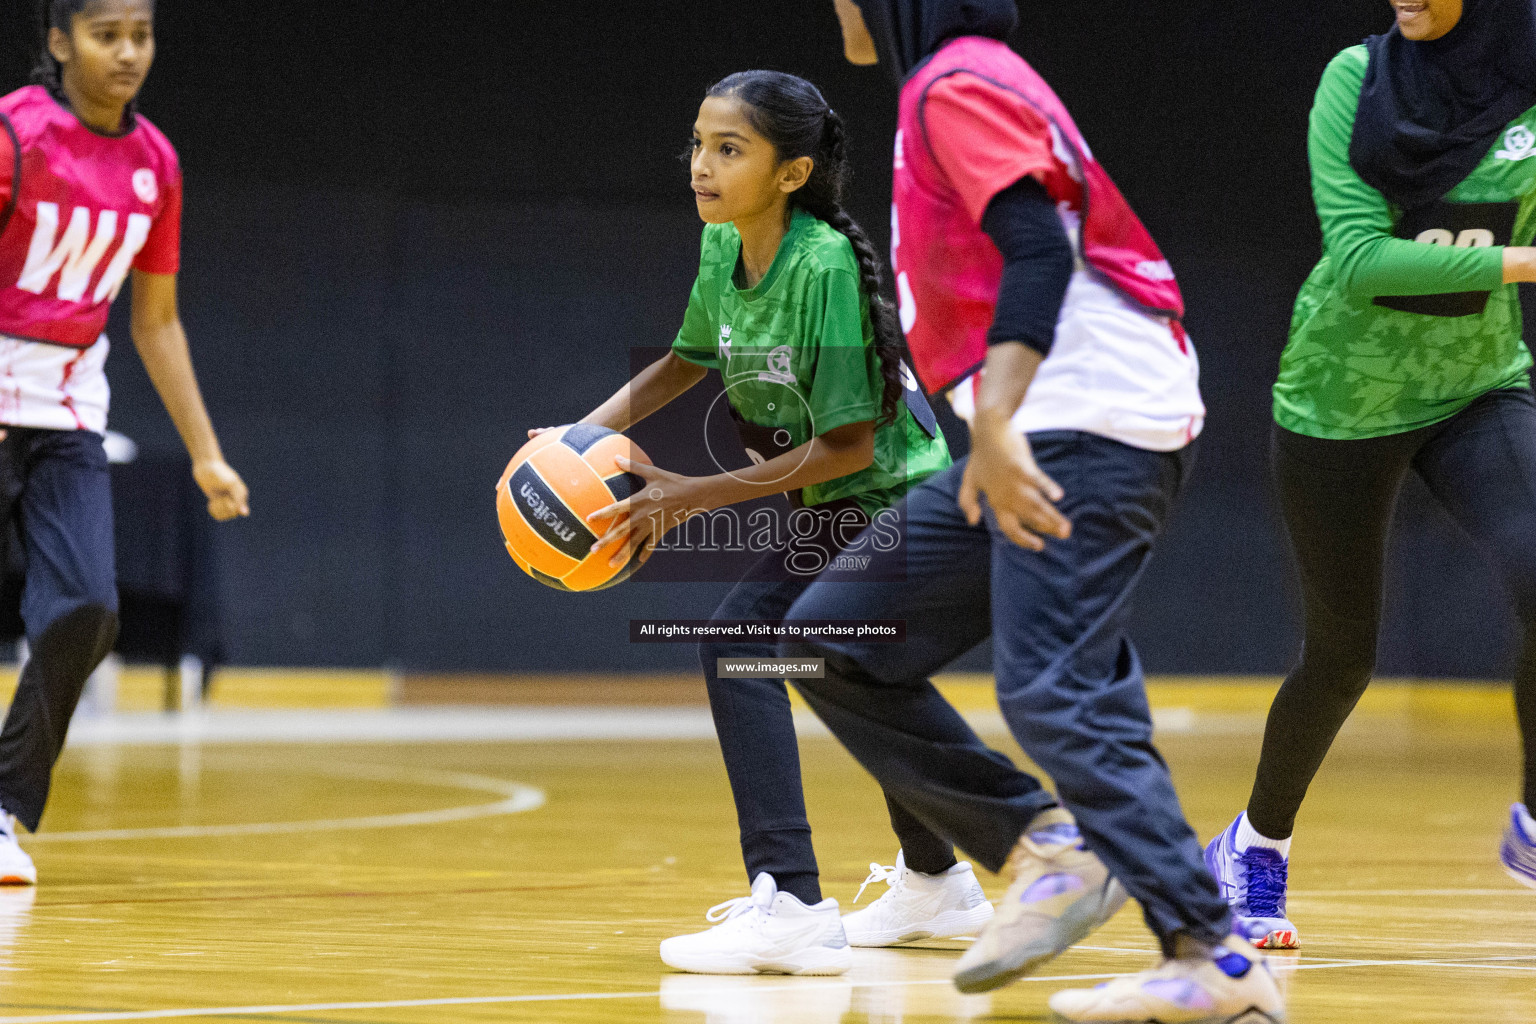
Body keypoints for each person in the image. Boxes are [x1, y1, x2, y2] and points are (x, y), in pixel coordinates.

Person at [776, 2, 1287, 1020]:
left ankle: (1209, 957)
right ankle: (1054, 849)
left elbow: (1038, 253)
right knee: (834, 635)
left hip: (1081, 421)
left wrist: (998, 419)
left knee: (1055, 687)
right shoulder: (965, 77)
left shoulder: (954, 84)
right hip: (1057, 418)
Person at [527, 70, 963, 976]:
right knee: (858, 673)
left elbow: (846, 448)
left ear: (793, 172)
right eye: (697, 143)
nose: (701, 165)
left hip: (896, 499)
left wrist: (684, 494)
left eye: (729, 149)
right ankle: (936, 881)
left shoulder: (824, 267)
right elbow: (686, 360)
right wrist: (583, 435)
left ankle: (795, 903)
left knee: (741, 643)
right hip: (841, 500)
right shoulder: (726, 248)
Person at [1204, 0, 1536, 951]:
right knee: (1343, 655)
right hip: (1342, 396)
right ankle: (1254, 844)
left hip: (1478, 383)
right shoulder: (1358, 80)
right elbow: (1356, 261)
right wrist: (1524, 262)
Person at [0, 0, 249, 885]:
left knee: (88, 608)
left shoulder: (155, 164)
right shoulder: (15, 135)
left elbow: (157, 323)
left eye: (140, 35)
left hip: (68, 416)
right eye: (107, 35)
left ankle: (2, 810)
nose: (128, 53)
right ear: (59, 41)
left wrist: (205, 451)